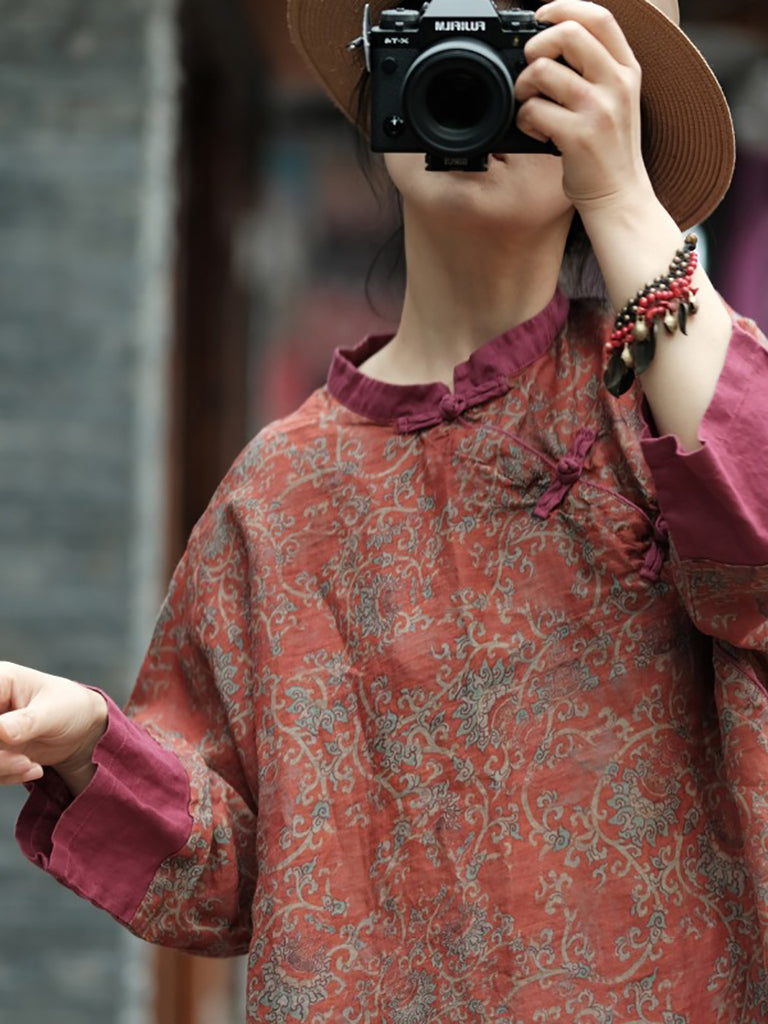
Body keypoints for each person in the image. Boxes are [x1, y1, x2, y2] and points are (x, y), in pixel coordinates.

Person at [2, 0, 768, 1018]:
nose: (484, 75)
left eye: (532, 53)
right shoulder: (279, 491)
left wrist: (627, 197)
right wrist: (87, 740)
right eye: (445, 31)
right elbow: (239, 874)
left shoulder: (664, 402)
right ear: (384, 86)